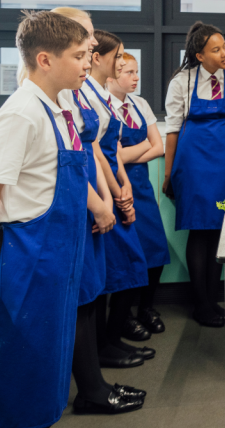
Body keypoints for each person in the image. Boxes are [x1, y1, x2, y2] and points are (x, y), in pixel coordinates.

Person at [0, 11, 93, 427]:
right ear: (44, 59)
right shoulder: (21, 113)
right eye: (78, 56)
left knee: (49, 368)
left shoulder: (56, 107)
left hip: (60, 256)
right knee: (24, 370)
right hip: (31, 256)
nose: (87, 63)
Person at [52, 7, 145, 414]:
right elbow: (72, 153)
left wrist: (112, 193)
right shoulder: (58, 91)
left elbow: (93, 148)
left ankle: (94, 383)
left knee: (91, 294)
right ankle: (91, 388)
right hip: (80, 198)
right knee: (83, 299)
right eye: (85, 37)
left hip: (96, 193)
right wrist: (102, 202)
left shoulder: (81, 86)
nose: (92, 44)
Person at [164, 21, 225, 327]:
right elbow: (172, 129)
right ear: (200, 55)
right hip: (192, 161)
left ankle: (213, 300)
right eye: (216, 49)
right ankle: (201, 304)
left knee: (220, 229)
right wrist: (168, 173)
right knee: (198, 230)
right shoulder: (182, 82)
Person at [85, 30, 155, 366]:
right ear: (97, 57)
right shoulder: (86, 95)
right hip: (103, 192)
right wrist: (115, 194)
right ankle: (104, 347)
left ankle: (112, 340)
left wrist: (123, 184)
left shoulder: (101, 97)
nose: (123, 61)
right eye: (119, 56)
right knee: (107, 278)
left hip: (115, 186)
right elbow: (95, 151)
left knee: (130, 268)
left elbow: (112, 149)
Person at [107, 52, 171, 335]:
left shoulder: (140, 104)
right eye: (128, 73)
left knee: (155, 248)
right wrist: (139, 147)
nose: (135, 78)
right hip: (117, 187)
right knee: (127, 254)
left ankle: (147, 307)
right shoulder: (105, 108)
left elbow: (159, 147)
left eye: (136, 72)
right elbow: (110, 155)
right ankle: (125, 316)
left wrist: (125, 154)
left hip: (141, 186)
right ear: (110, 76)